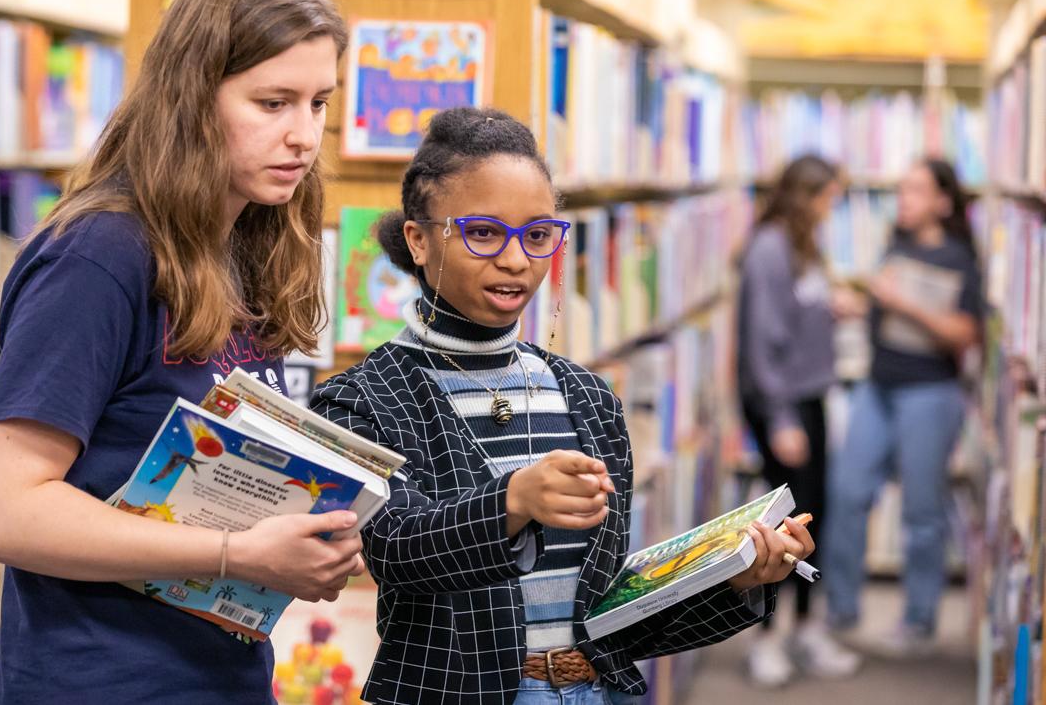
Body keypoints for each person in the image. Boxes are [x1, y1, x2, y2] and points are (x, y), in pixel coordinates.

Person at [0, 0, 365, 704]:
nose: (304, 136)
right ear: (193, 98)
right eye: (272, 102)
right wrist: (235, 553)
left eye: (319, 104)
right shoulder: (99, 257)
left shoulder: (245, 242)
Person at [311, 106, 814, 705]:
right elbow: (396, 550)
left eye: (538, 235)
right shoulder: (363, 397)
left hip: (590, 692)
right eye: (483, 233)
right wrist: (513, 501)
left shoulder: (588, 397)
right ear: (419, 240)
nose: (516, 260)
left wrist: (733, 579)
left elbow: (612, 616)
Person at [824, 158, 984, 659]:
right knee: (847, 491)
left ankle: (919, 619)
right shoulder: (896, 242)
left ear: (943, 201)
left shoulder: (960, 258)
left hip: (930, 393)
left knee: (922, 510)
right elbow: (885, 312)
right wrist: (860, 306)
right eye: (902, 189)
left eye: (916, 190)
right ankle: (841, 611)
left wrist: (902, 303)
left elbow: (965, 334)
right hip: (877, 386)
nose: (904, 199)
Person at [735, 155, 863, 686]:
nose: (833, 208)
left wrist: (829, 306)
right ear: (805, 196)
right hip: (781, 402)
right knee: (783, 527)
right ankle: (766, 637)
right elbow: (762, 342)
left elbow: (796, 310)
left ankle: (806, 628)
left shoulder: (804, 243)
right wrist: (782, 418)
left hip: (809, 395)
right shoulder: (769, 247)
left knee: (813, 518)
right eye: (829, 197)